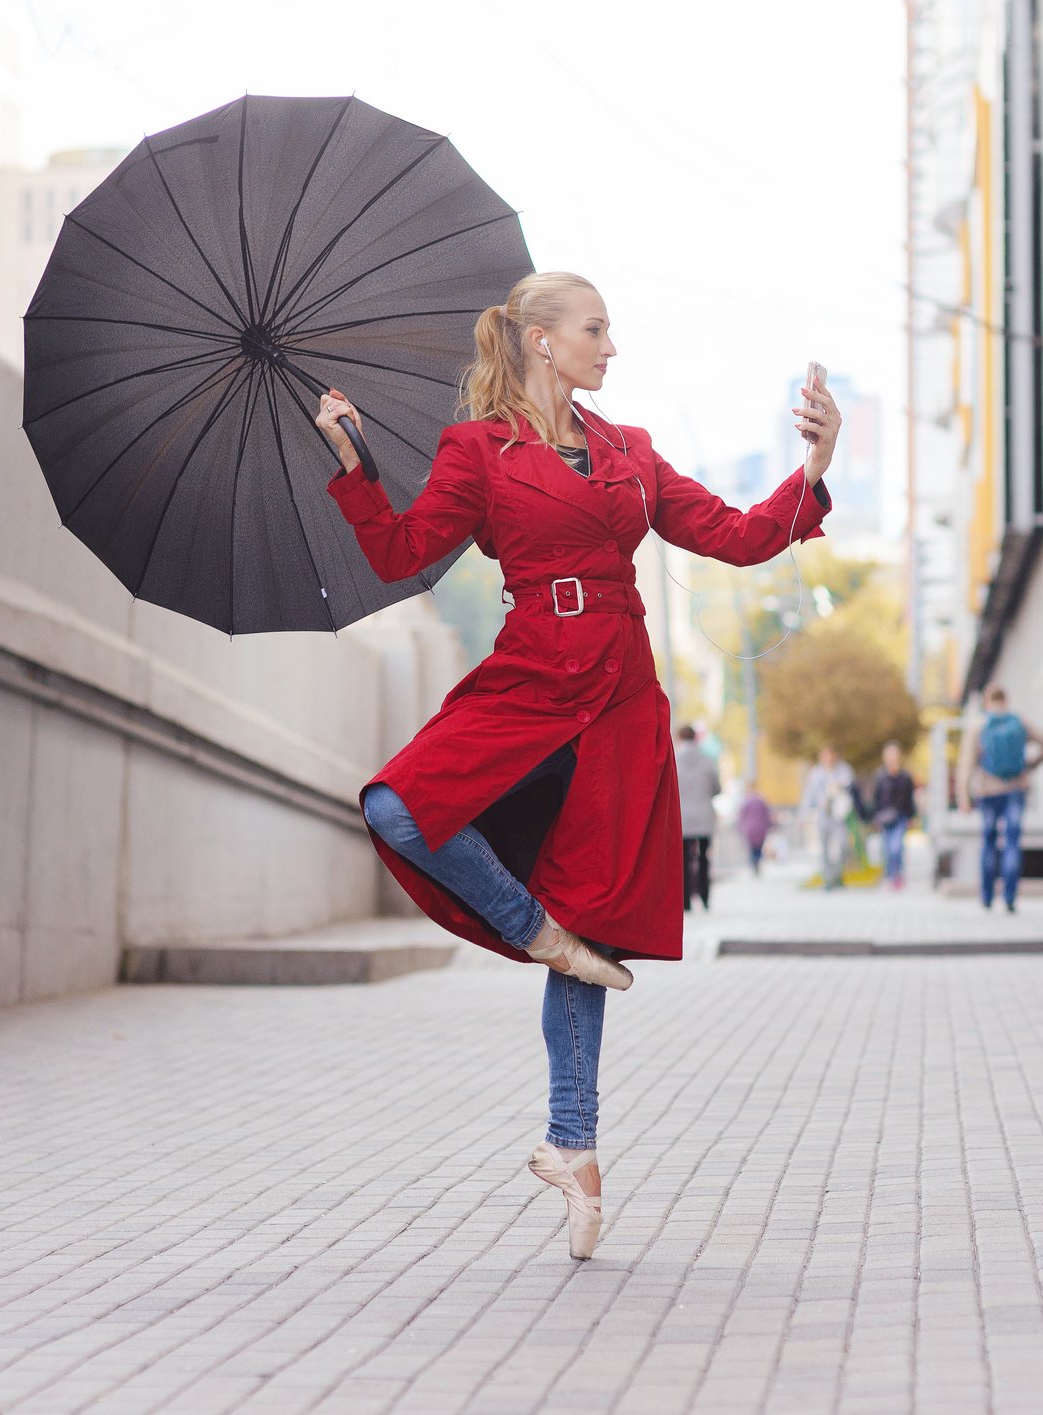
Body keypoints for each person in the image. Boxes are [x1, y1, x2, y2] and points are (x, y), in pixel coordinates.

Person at [314, 272, 840, 1260]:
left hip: (617, 697)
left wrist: (815, 463)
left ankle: (574, 1146)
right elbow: (398, 551)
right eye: (596, 330)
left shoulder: (628, 452)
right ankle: (536, 931)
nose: (611, 347)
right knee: (399, 805)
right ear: (542, 342)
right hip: (528, 676)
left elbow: (736, 535)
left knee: (591, 914)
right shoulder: (476, 449)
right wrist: (353, 462)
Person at [960, 685, 1043, 913]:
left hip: (987, 791)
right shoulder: (1019, 722)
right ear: (1007, 700)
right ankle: (1010, 897)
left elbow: (966, 765)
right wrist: (1029, 767)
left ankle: (986, 897)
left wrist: (963, 795)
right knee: (1012, 843)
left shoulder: (979, 725)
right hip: (1015, 789)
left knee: (989, 842)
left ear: (986, 702)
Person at [673, 724, 720, 911]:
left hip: (682, 818)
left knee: (682, 861)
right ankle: (705, 898)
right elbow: (717, 788)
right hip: (703, 818)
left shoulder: (674, 758)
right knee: (703, 859)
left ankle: (685, 902)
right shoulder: (707, 760)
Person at [799, 744, 858, 890]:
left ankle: (838, 875)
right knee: (824, 848)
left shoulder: (844, 770)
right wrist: (803, 815)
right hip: (823, 815)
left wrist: (838, 784)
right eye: (825, 756)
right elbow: (809, 796)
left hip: (839, 816)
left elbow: (850, 786)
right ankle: (828, 878)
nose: (828, 759)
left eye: (831, 755)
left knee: (843, 846)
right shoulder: (816, 774)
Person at [866, 740, 918, 891]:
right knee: (887, 848)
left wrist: (911, 817)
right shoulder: (880, 776)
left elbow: (909, 798)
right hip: (884, 818)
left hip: (900, 816)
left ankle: (897, 875)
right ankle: (890, 875)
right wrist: (874, 818)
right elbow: (875, 799)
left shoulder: (905, 776)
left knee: (897, 848)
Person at [737, 781, 773, 874]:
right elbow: (767, 815)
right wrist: (769, 825)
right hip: (761, 828)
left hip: (749, 828)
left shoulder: (746, 801)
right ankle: (757, 861)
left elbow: (741, 816)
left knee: (752, 847)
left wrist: (740, 828)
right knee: (758, 847)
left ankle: (754, 862)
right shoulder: (761, 800)